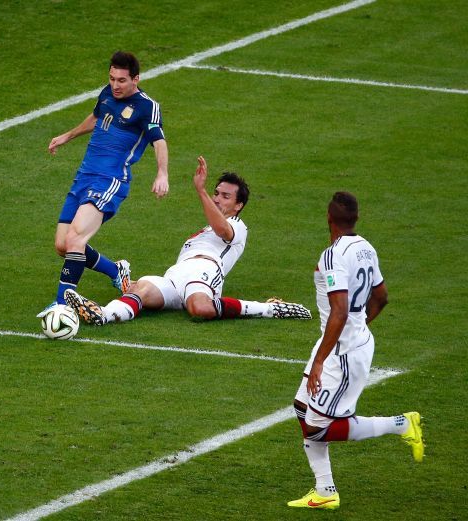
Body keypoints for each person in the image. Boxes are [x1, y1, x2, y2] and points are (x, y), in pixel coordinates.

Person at [287, 192, 423, 510]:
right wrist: (360, 328)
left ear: (328, 219)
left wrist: (322, 360)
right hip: (341, 342)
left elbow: (339, 311)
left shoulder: (333, 256)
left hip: (341, 351)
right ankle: (325, 491)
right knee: (301, 408)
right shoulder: (366, 248)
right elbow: (382, 297)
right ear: (356, 219)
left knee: (317, 430)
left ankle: (402, 424)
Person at [64, 155, 311, 325]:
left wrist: (201, 191)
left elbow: (222, 229)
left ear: (238, 205)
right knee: (142, 290)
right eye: (216, 193)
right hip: (175, 276)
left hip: (204, 274)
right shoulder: (201, 232)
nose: (217, 199)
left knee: (200, 309)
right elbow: (213, 223)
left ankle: (269, 308)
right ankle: (102, 314)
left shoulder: (238, 227)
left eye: (225, 196)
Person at [38, 51, 169, 318]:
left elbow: (159, 141)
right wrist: (68, 135)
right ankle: (115, 270)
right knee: (63, 245)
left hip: (110, 180)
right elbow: (97, 117)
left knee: (76, 238)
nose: (115, 85)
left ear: (136, 79)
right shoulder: (107, 94)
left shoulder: (147, 106)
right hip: (84, 176)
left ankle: (62, 305)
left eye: (121, 80)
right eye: (111, 79)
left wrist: (162, 173)